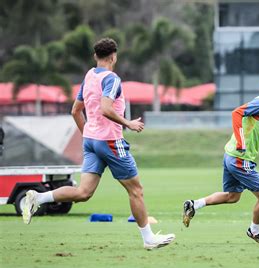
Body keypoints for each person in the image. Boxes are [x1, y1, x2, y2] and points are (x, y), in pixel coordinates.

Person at [21, 38, 175, 250]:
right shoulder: (112, 79)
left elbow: (75, 110)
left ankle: (38, 197)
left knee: (84, 193)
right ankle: (148, 239)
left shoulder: (89, 75)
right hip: (110, 141)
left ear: (96, 56)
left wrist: (89, 134)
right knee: (136, 190)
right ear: (114, 56)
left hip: (91, 141)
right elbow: (106, 108)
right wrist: (128, 123)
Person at [182, 72, 259, 245]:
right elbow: (236, 113)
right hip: (240, 158)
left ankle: (194, 204)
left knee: (232, 197)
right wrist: (241, 141)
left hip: (231, 156)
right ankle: (254, 231)